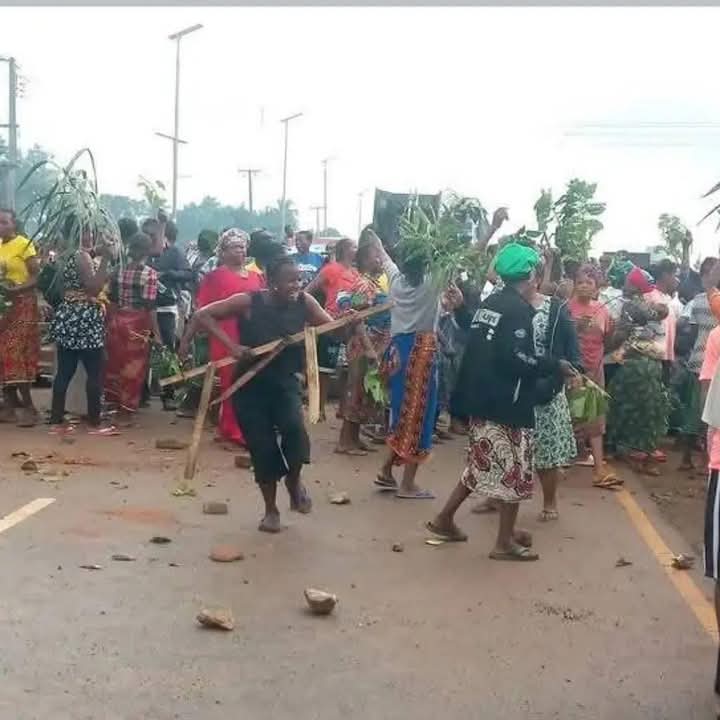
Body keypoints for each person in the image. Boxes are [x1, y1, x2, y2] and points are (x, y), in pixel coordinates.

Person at [427, 243, 574, 560]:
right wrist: (553, 365)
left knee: (479, 465)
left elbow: (481, 343)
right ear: (531, 275)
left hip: (482, 400)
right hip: (510, 402)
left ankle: (445, 519)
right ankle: (503, 542)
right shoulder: (519, 310)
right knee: (516, 470)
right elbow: (516, 360)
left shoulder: (490, 303)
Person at [179, 254, 340, 533]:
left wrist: (351, 323)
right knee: (262, 447)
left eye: (299, 280)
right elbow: (203, 315)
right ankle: (271, 510)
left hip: (286, 383)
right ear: (271, 282)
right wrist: (231, 346)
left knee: (294, 431)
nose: (296, 285)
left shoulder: (306, 303)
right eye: (289, 280)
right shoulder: (249, 301)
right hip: (250, 385)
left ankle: (293, 480)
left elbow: (333, 331)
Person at [365, 231, 457, 500]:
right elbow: (470, 252)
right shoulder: (432, 283)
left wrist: (376, 238)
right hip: (421, 352)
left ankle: (385, 470)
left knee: (403, 413)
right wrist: (492, 229)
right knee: (419, 418)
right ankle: (407, 484)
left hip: (396, 351)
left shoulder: (396, 279)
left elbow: (382, 253)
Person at [49, 216, 117, 433]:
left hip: (69, 315)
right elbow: (94, 288)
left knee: (65, 371)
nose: (89, 236)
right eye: (84, 232)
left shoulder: (65, 254)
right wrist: (106, 259)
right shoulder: (81, 256)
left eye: (90, 232)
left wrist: (99, 251)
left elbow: (86, 258)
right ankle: (95, 420)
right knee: (94, 371)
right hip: (85, 317)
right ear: (76, 235)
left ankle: (56, 417)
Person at [196, 229, 263, 446]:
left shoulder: (256, 276)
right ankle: (234, 431)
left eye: (243, 247)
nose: (240, 251)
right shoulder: (214, 277)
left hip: (252, 333)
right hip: (225, 333)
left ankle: (231, 427)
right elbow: (203, 310)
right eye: (235, 247)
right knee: (232, 382)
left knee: (251, 382)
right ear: (223, 252)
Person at [606, 265, 671, 475]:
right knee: (650, 408)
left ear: (634, 285)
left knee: (623, 404)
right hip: (653, 364)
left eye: (627, 280)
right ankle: (645, 452)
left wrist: (604, 346)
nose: (624, 283)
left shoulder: (631, 307)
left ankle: (625, 449)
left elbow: (620, 336)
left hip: (634, 364)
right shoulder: (654, 307)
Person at [335, 239, 391, 455]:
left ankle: (354, 438)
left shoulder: (373, 283)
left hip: (372, 343)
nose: (381, 260)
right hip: (363, 343)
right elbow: (356, 317)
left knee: (364, 392)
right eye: (378, 256)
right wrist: (368, 348)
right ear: (368, 259)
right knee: (356, 390)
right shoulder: (363, 285)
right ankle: (345, 441)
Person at [568, 264, 621, 488]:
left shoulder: (603, 310)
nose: (584, 286)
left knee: (595, 419)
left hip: (594, 372)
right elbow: (558, 341)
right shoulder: (565, 309)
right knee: (568, 417)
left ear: (597, 287)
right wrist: (575, 328)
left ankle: (599, 469)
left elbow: (609, 341)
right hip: (570, 373)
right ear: (574, 285)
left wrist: (621, 331)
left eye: (589, 282)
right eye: (580, 282)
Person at [104, 232, 161, 415]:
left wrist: (109, 324)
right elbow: (150, 306)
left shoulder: (118, 270)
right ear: (148, 251)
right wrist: (156, 334)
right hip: (138, 324)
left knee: (115, 364)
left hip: (117, 320)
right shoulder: (150, 274)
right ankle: (126, 410)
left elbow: (112, 300)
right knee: (134, 367)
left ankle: (114, 404)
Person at [305, 237, 360, 419]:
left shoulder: (355, 273)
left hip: (351, 326)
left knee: (346, 369)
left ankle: (343, 408)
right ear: (344, 250)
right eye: (353, 246)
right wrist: (318, 313)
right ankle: (319, 408)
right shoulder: (330, 269)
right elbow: (309, 291)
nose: (356, 249)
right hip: (331, 324)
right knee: (325, 370)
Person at [675, 257, 718, 471]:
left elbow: (690, 333)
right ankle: (707, 459)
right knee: (711, 414)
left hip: (697, 360)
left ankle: (687, 457)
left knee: (695, 410)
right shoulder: (712, 301)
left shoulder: (696, 301)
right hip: (714, 364)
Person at [0, 209, 41, 426]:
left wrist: (16, 290)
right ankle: (8, 406)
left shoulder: (24, 244)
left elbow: (36, 275)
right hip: (4, 307)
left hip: (23, 303)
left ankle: (29, 408)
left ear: (14, 224)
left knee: (12, 350)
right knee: (3, 352)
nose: (1, 226)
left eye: (4, 222)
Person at [150, 219, 193, 411]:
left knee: (166, 351)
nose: (151, 238)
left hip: (165, 309)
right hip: (143, 310)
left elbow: (188, 274)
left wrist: (167, 274)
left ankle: (168, 394)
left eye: (154, 235)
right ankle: (142, 393)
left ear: (165, 236)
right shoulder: (142, 252)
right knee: (141, 350)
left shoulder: (175, 252)